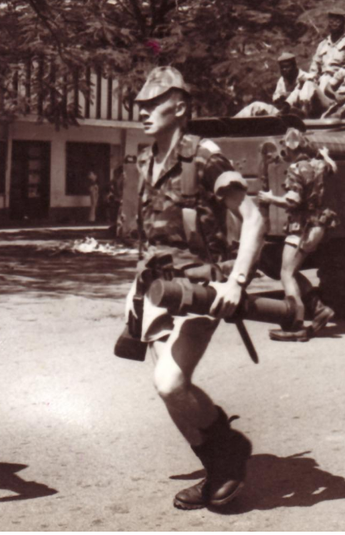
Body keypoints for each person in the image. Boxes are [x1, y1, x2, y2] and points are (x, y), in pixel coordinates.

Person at [119, 66, 266, 510]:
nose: (142, 110)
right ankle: (218, 463)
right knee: (172, 390)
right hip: (154, 287)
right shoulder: (145, 160)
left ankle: (227, 449)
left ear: (179, 106)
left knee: (169, 384)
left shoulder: (204, 156)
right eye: (140, 103)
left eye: (153, 103)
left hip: (199, 286)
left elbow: (254, 218)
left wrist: (237, 282)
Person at [257, 128, 338, 341]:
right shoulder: (318, 165)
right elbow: (333, 167)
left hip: (301, 228)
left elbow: (293, 200)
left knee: (286, 273)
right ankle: (318, 308)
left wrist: (270, 198)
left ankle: (295, 324)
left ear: (290, 150)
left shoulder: (296, 170)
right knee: (290, 270)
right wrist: (325, 154)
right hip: (317, 226)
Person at [300, 8, 345, 117]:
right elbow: (314, 69)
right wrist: (308, 78)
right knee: (306, 82)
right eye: (331, 20)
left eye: (338, 20)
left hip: (337, 85)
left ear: (344, 22)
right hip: (321, 82)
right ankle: (301, 112)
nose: (334, 23)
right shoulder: (322, 45)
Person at [235, 53, 311, 117]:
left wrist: (289, 95)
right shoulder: (282, 80)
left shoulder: (307, 78)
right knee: (256, 105)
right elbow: (275, 99)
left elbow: (308, 101)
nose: (284, 70)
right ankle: (231, 123)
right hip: (283, 113)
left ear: (295, 66)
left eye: (287, 67)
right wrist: (280, 98)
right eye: (282, 68)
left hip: (302, 115)